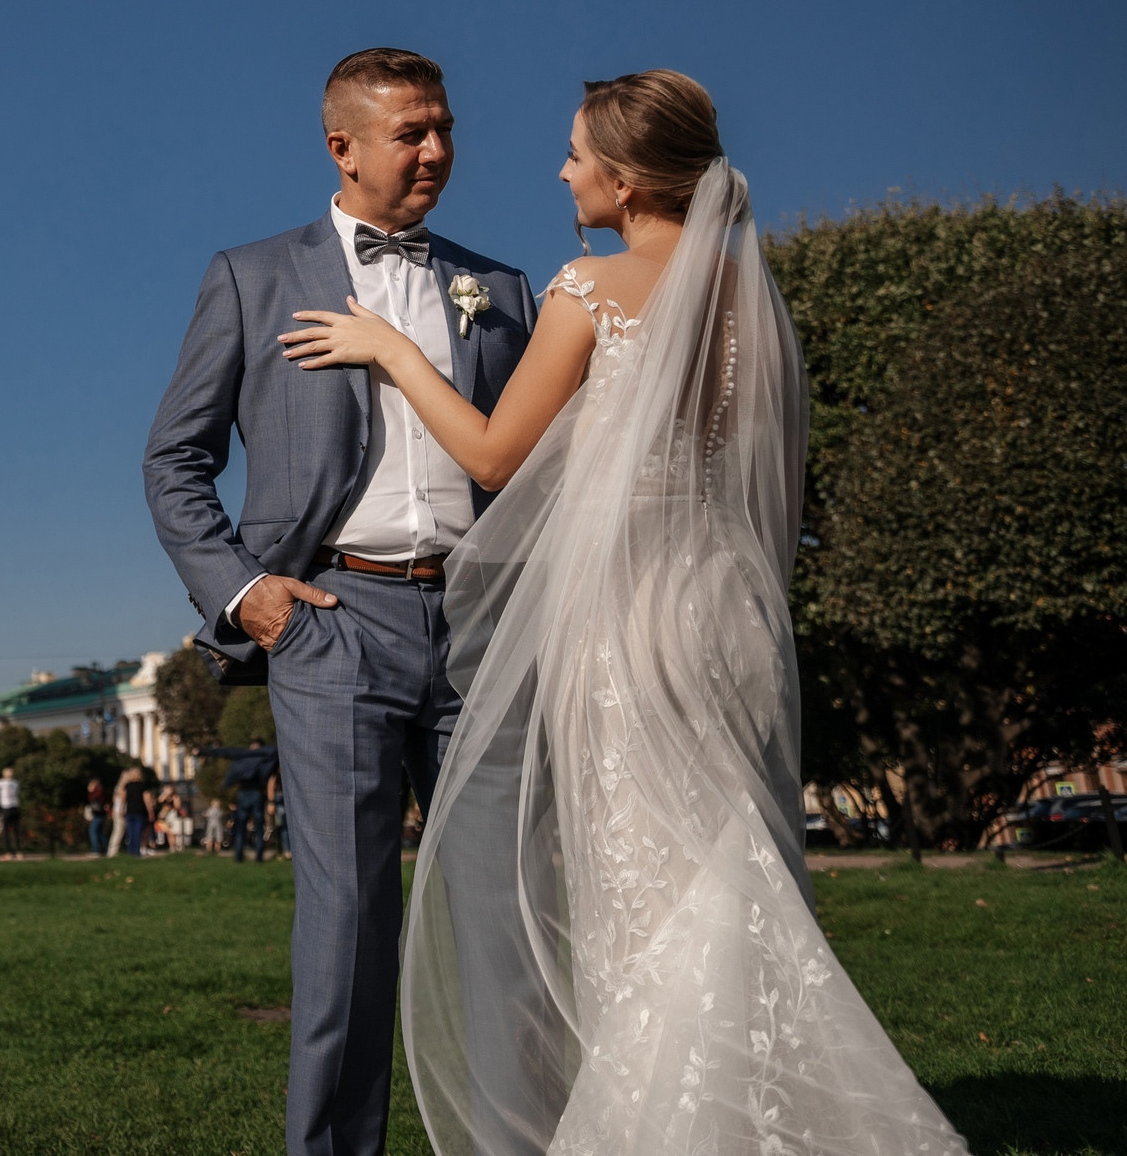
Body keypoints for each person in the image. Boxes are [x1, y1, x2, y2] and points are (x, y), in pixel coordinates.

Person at [280, 72, 965, 1153]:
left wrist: (394, 353)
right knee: (728, 860)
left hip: (631, 617)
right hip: (728, 608)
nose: (562, 173)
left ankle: (670, 1122)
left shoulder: (589, 286)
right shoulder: (749, 298)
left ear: (628, 179)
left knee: (641, 879)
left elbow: (495, 456)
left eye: (575, 156)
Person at [145, 48, 537, 1156]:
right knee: (348, 927)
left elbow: (531, 459)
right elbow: (174, 460)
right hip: (332, 623)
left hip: (479, 627)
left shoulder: (501, 290)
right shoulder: (250, 276)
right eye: (411, 132)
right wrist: (246, 594)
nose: (436, 150)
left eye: (445, 128)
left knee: (502, 919)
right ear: (343, 148)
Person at [200, 739, 280, 863]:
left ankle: (239, 855)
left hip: (245, 793)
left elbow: (227, 754)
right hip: (256, 793)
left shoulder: (244, 758)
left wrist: (203, 751)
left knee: (241, 825)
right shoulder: (265, 759)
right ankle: (257, 855)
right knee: (258, 825)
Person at [0, 766, 24, 859]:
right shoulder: (16, 783)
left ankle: (8, 853)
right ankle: (19, 853)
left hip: (6, 808)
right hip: (15, 808)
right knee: (16, 831)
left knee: (6, 832)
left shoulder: (3, 782)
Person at [83, 778, 110, 857]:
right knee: (100, 833)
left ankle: (95, 850)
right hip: (101, 815)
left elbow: (95, 805)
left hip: (97, 815)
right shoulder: (101, 793)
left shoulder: (96, 794)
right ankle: (104, 849)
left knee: (93, 832)